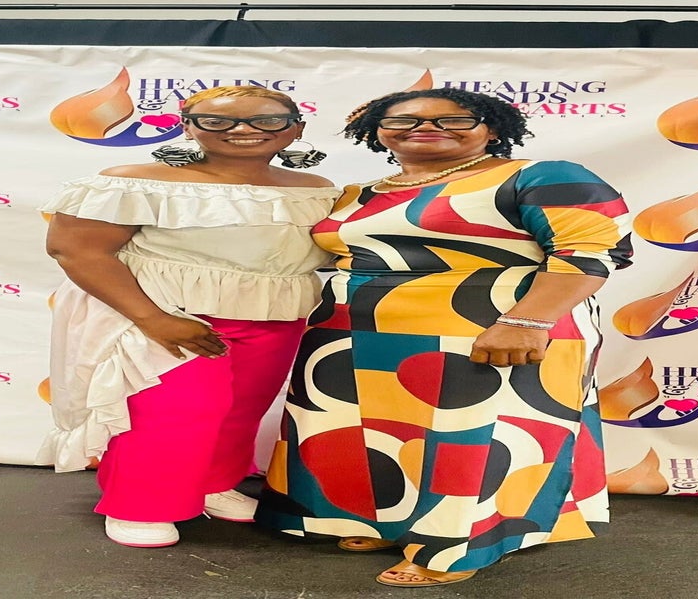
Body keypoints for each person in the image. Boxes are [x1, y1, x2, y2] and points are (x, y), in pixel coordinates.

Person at [255, 87, 633, 587]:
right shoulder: (360, 193)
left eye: (453, 119)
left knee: (471, 438)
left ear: (492, 129)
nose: (426, 128)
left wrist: (528, 322)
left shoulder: (541, 175)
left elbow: (590, 250)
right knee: (372, 432)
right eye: (404, 120)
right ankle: (385, 521)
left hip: (489, 323)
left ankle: (459, 546)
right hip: (355, 329)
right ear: (377, 131)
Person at [37, 86, 338, 548]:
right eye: (218, 121)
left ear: (296, 129)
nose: (243, 130)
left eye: (266, 120)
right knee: (173, 413)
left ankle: (213, 485)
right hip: (167, 313)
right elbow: (74, 250)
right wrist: (154, 319)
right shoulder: (133, 181)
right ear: (188, 127)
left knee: (241, 410)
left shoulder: (315, 189)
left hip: (276, 316)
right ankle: (138, 505)